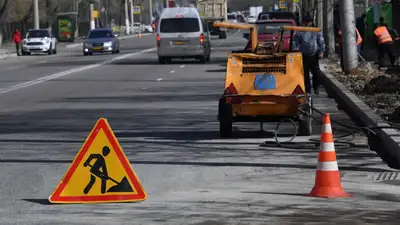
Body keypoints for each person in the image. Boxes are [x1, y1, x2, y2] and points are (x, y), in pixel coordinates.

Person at [293, 15, 325, 95]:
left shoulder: (316, 31)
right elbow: (295, 43)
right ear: (303, 23)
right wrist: (294, 50)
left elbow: (321, 42)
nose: (307, 24)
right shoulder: (299, 32)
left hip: (314, 55)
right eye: (305, 22)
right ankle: (307, 90)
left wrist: (321, 52)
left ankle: (316, 87)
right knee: (305, 74)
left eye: (308, 22)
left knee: (316, 73)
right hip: (303, 55)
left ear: (311, 22)